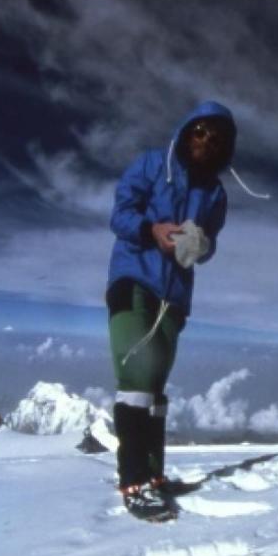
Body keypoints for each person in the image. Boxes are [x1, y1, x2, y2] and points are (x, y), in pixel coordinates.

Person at [106, 101, 235, 521]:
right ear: (186, 131)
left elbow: (210, 244)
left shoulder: (215, 193)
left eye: (216, 137)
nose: (206, 140)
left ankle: (155, 477)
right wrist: (152, 230)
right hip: (133, 282)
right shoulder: (150, 165)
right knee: (137, 379)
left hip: (174, 298)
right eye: (200, 130)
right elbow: (120, 213)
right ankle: (133, 483)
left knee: (156, 388)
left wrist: (202, 246)